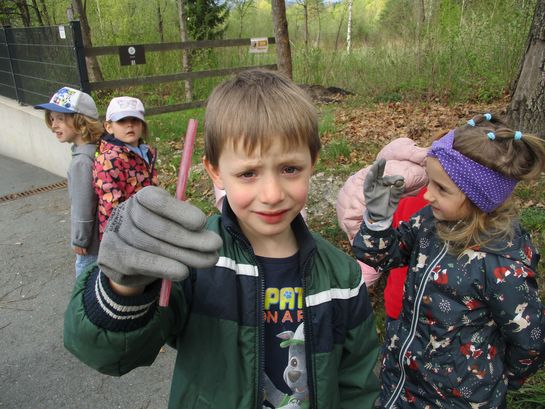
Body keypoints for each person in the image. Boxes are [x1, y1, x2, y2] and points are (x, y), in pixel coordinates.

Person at [64, 69, 381, 408]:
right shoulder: (192, 262)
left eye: (290, 169)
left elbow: (357, 387)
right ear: (215, 171)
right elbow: (112, 354)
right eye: (248, 173)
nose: (272, 194)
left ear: (312, 162)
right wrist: (123, 288)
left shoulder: (343, 276)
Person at [352, 113, 545, 408]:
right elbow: (382, 256)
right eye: (431, 182)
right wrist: (377, 220)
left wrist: (495, 377)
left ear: (479, 197)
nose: (427, 195)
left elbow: (529, 340)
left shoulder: (501, 267)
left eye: (441, 188)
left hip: (459, 399)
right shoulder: (429, 223)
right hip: (402, 380)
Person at [336, 137, 428, 321]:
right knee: (370, 264)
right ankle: (346, 296)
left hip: (348, 200)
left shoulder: (404, 152)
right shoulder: (420, 184)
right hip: (362, 214)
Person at [35, 86, 104, 277]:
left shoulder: (81, 162)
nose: (54, 125)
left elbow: (83, 206)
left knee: (85, 288)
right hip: (103, 239)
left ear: (81, 122)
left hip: (91, 246)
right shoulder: (99, 151)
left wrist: (80, 239)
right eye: (52, 118)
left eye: (60, 119)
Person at [93, 96, 158, 240]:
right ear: (109, 127)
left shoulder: (146, 152)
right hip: (123, 235)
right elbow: (111, 205)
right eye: (122, 121)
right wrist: (120, 239)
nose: (129, 125)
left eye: (135, 120)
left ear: (142, 124)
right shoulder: (108, 159)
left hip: (147, 225)